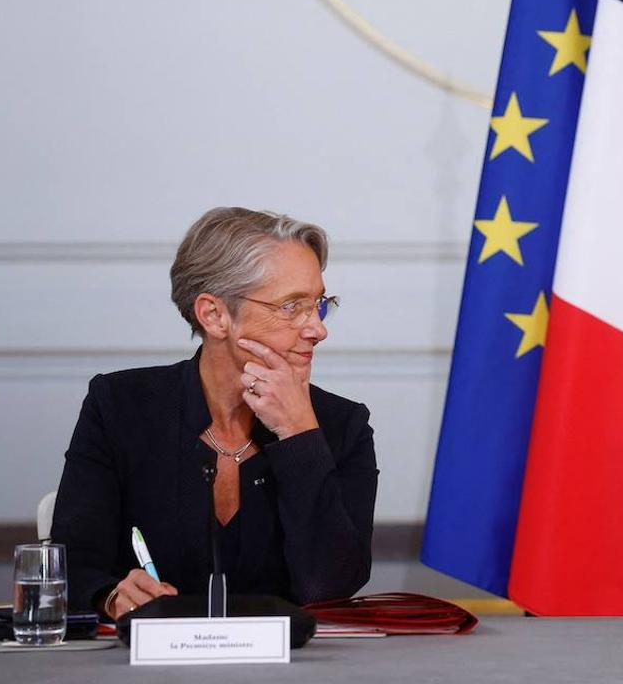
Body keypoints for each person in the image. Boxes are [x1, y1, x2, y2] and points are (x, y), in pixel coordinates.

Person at [51, 207, 379, 618]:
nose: (318, 328)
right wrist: (111, 596)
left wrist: (298, 433)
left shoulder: (342, 425)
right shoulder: (119, 406)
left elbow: (330, 588)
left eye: (319, 304)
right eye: (292, 306)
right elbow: (72, 565)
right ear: (214, 315)